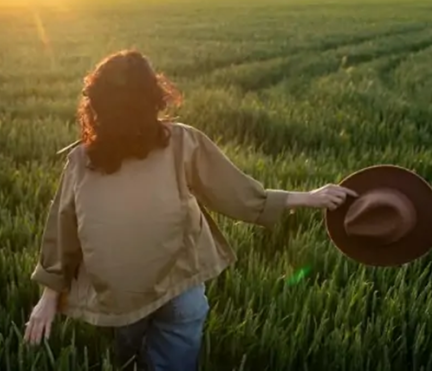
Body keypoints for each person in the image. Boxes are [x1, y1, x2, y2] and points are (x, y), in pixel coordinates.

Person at [23, 49, 356, 370]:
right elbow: (238, 195)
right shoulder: (180, 141)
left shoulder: (83, 160)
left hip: (118, 299)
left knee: (124, 361)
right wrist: (307, 197)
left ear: (96, 105)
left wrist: (49, 297)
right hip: (180, 289)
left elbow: (62, 232)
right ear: (155, 99)